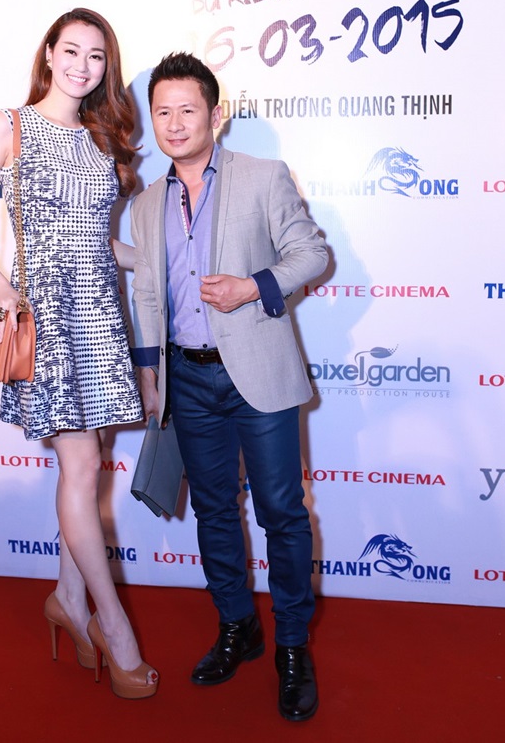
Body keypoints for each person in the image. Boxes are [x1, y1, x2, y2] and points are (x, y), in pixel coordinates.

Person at [0, 7, 158, 700]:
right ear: (48, 54)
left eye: (96, 56)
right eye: (71, 50)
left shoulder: (101, 139)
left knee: (84, 473)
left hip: (100, 318)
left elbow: (100, 242)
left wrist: (160, 261)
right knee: (83, 466)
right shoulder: (7, 126)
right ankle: (114, 628)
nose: (82, 66)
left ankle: (67, 597)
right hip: (48, 322)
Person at [130, 52, 327, 721]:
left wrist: (252, 286)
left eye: (188, 109)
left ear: (216, 115)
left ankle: (292, 646)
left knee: (281, 512)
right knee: (214, 510)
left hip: (258, 375)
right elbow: (148, 290)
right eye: (162, 111)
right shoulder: (147, 202)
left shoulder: (264, 176)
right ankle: (238, 625)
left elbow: (312, 252)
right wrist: (150, 373)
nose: (175, 123)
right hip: (186, 379)